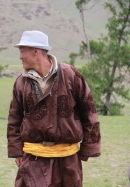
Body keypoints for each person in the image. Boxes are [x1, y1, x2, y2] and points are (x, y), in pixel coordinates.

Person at [7, 30, 101, 187]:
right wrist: (16, 151)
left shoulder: (70, 75)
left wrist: (89, 147)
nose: (20, 56)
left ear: (36, 51)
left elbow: (88, 109)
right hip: (33, 159)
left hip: (67, 159)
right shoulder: (20, 83)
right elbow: (14, 119)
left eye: (23, 51)